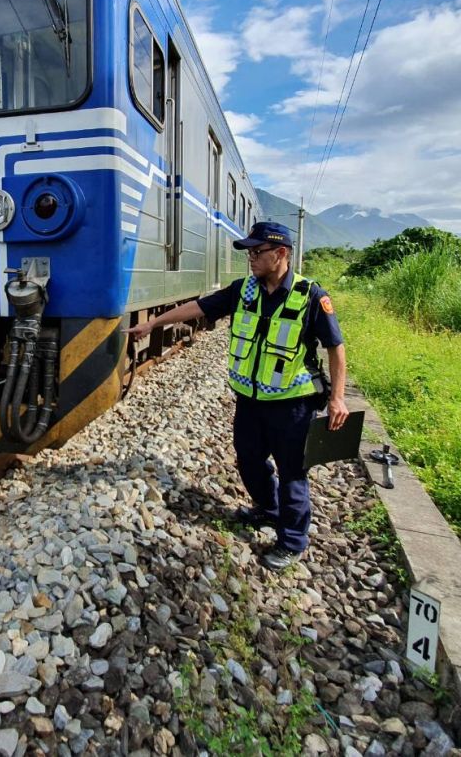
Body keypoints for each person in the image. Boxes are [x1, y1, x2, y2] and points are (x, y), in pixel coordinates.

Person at [127, 220, 348, 571]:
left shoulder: (311, 296)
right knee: (248, 460)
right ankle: (268, 509)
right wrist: (153, 324)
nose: (251, 258)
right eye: (249, 252)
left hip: (293, 405)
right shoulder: (243, 290)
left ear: (281, 254)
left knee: (293, 472)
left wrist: (337, 398)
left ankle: (291, 541)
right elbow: (198, 308)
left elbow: (336, 347)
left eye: (257, 252)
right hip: (250, 400)